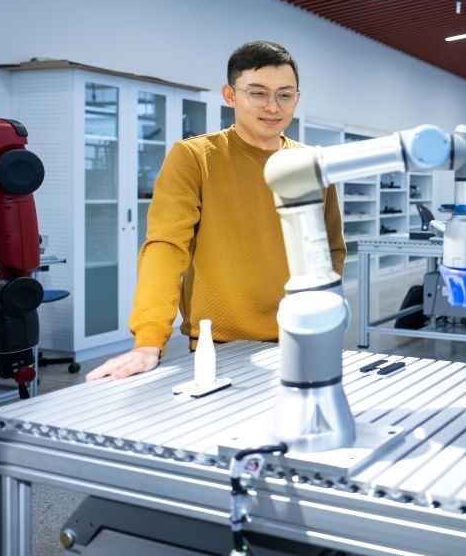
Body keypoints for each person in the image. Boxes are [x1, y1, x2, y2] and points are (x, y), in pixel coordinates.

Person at [87, 41, 345, 381]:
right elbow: (166, 247)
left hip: (304, 338)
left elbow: (331, 250)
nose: (273, 106)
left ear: (297, 97)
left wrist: (322, 318)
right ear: (230, 94)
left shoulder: (309, 164)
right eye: (257, 93)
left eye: (285, 94)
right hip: (220, 344)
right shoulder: (195, 158)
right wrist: (149, 339)